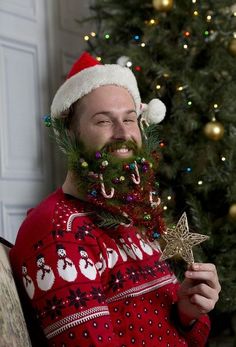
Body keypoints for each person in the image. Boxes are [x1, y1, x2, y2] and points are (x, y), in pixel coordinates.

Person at [10, 52, 221, 347]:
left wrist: (187, 313)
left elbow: (188, 335)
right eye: (103, 121)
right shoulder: (57, 228)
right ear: (70, 133)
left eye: (129, 119)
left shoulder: (133, 217)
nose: (123, 133)